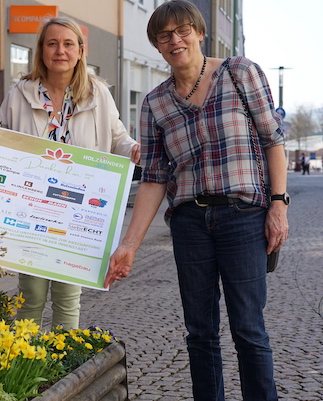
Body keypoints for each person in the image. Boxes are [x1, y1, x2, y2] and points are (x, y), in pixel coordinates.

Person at [105, 1, 286, 399]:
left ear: (200, 33)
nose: (176, 40)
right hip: (190, 223)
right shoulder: (155, 103)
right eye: (165, 35)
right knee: (200, 332)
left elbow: (273, 140)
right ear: (156, 45)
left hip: (243, 216)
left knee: (248, 328)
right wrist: (129, 246)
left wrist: (278, 205)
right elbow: (154, 179)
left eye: (183, 30)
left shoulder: (240, 73)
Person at [0, 17, 140, 329]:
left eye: (67, 44)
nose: (60, 50)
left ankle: (64, 368)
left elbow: (117, 138)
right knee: (31, 293)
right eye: (52, 43)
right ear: (42, 50)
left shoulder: (98, 94)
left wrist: (133, 150)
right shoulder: (20, 92)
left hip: (77, 210)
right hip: (32, 209)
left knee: (67, 294)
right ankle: (24, 366)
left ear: (80, 51)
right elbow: (3, 143)